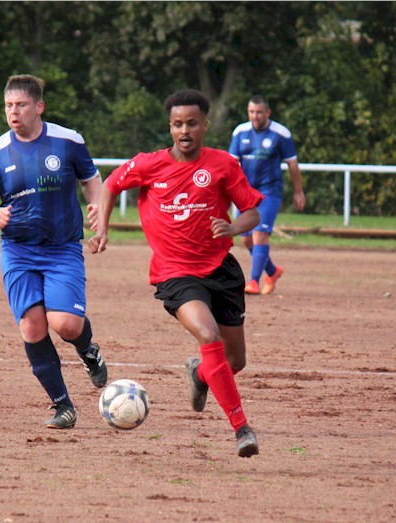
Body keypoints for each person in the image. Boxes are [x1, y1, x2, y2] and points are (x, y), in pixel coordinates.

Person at [89, 89, 264, 458]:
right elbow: (109, 185)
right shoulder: (149, 164)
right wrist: (102, 227)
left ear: (205, 125)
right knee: (207, 332)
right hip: (175, 273)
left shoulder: (223, 165)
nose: (184, 130)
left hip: (221, 270)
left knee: (234, 362)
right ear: (170, 127)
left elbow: (252, 212)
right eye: (177, 124)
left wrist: (234, 229)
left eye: (192, 123)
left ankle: (200, 373)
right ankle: (241, 428)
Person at [0, 74, 108, 430]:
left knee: (66, 324)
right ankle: (63, 406)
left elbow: (92, 180)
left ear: (39, 106)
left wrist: (99, 214)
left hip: (62, 248)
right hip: (18, 250)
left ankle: (88, 351)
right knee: (32, 326)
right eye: (9, 106)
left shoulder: (68, 141)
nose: (13, 112)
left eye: (21, 105)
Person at [228, 95, 305, 295]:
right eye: (252, 112)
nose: (255, 116)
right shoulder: (240, 132)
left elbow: (293, 165)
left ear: (267, 113)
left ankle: (253, 281)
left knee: (260, 235)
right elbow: (231, 164)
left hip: (269, 193)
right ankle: (272, 271)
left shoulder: (280, 134)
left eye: (259, 112)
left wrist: (298, 192)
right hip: (244, 193)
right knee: (246, 239)